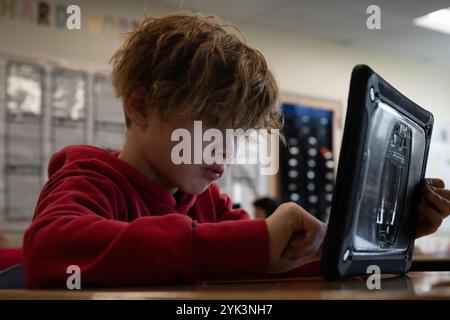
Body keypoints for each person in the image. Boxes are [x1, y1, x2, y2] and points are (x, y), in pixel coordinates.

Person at [22, 14, 450, 288]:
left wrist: (387, 236)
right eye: (211, 124)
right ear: (141, 105)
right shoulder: (88, 180)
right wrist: (250, 242)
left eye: (239, 133)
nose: (225, 150)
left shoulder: (205, 202)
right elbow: (50, 248)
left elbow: (272, 265)